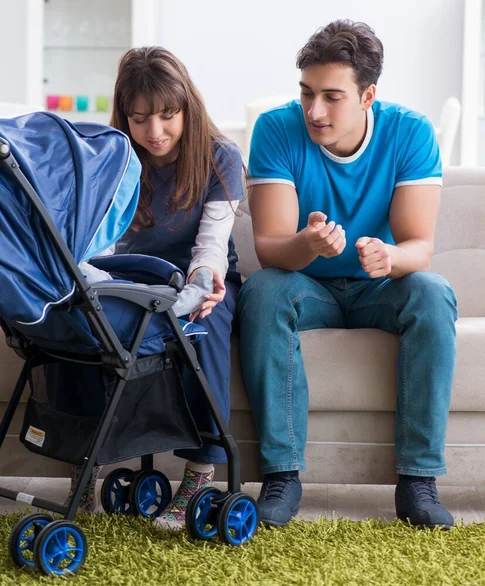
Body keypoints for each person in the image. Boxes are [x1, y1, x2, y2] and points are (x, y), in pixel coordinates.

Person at [238, 20, 458, 529]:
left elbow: (418, 248)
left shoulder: (410, 132)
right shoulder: (275, 129)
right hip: (306, 285)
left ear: (367, 95)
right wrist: (307, 244)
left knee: (432, 291)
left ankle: (419, 482)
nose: (314, 111)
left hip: (381, 287)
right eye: (307, 93)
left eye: (332, 97)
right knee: (263, 290)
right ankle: (282, 474)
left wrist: (389, 257)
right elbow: (271, 249)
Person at [68, 46, 245, 528]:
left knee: (202, 331)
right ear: (125, 116)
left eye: (168, 116)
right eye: (141, 119)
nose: (156, 132)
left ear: (187, 107)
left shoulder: (220, 157)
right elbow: (99, 241)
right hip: (132, 274)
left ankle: (199, 472)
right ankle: (86, 464)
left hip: (202, 277)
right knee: (86, 331)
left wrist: (202, 284)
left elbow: (211, 244)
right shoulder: (112, 158)